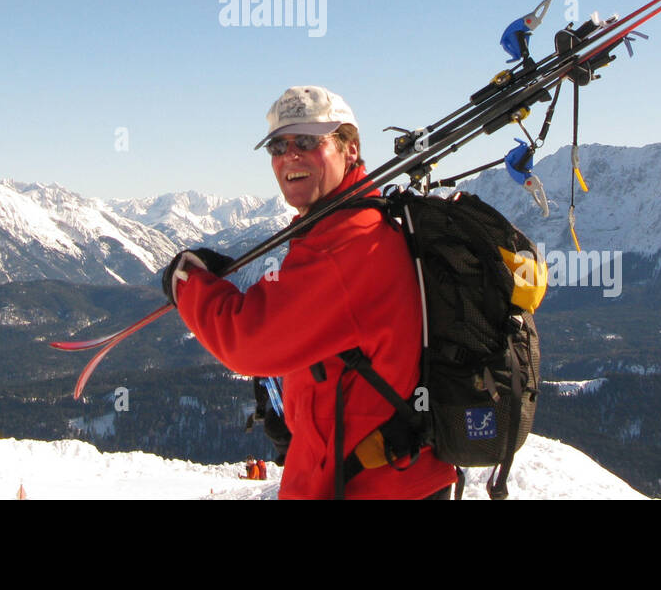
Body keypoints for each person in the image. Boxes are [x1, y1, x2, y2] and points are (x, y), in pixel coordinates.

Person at [164, 86, 458, 500]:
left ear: (350, 149)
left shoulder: (344, 246)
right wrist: (299, 421)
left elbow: (245, 341)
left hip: (371, 486)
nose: (289, 155)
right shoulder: (356, 223)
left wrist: (187, 283)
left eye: (306, 141)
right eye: (277, 146)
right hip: (390, 471)